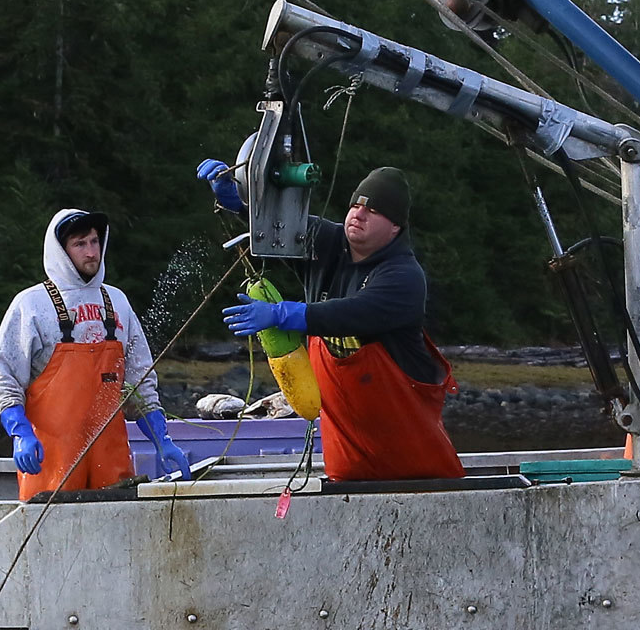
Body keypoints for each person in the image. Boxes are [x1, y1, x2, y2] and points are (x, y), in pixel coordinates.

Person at [197, 161, 463, 482]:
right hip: (347, 466)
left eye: (373, 211)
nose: (358, 214)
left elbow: (352, 313)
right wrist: (237, 203)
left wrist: (283, 314)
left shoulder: (404, 277)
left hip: (414, 468)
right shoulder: (325, 241)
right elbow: (277, 230)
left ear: (395, 227)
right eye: (355, 205)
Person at [0, 208, 190, 500]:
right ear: (61, 251)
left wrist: (162, 439)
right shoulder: (31, 304)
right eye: (80, 244)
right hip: (51, 463)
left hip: (111, 463)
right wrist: (21, 434)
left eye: (94, 242)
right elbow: (4, 379)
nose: (91, 252)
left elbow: (140, 380)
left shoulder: (117, 302)